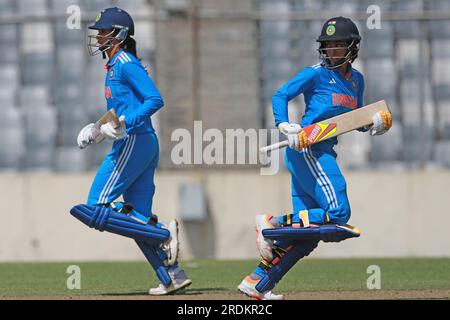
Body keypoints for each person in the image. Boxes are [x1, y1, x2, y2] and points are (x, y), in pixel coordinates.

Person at [238, 16, 392, 300]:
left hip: (323, 148)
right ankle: (272, 224)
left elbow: (352, 120)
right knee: (338, 213)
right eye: (328, 45)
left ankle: (257, 283)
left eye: (338, 45)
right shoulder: (316, 74)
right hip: (306, 147)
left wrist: (373, 124)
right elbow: (280, 95)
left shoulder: (357, 80)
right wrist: (285, 125)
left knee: (306, 236)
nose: (332, 50)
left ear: (352, 47)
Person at [73, 7, 192, 295]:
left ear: (120, 34)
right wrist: (97, 129)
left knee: (95, 206)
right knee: (136, 219)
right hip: (140, 141)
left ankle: (163, 232)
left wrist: (126, 123)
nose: (99, 35)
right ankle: (172, 275)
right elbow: (122, 110)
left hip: (134, 141)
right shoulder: (115, 65)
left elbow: (154, 100)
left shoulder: (125, 62)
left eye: (104, 31)